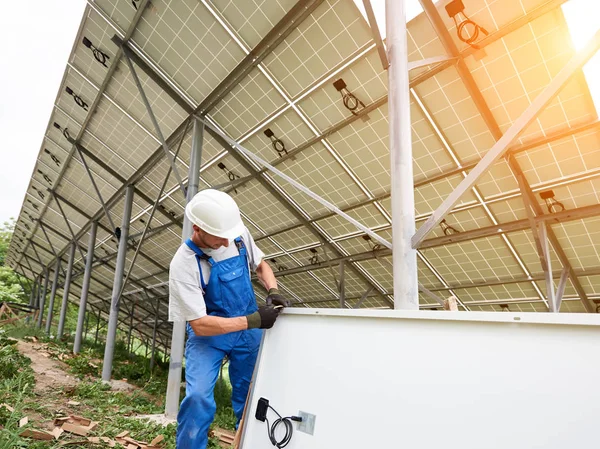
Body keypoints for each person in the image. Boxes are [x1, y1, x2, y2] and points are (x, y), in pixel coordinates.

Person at [168, 189, 289, 449]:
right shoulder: (183, 264)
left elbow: (261, 265)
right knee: (198, 397)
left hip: (248, 331)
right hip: (210, 334)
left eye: (228, 237)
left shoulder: (235, 233)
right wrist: (254, 320)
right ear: (198, 228)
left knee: (251, 397)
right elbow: (199, 324)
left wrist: (273, 290)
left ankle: (246, 444)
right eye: (219, 238)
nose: (226, 243)